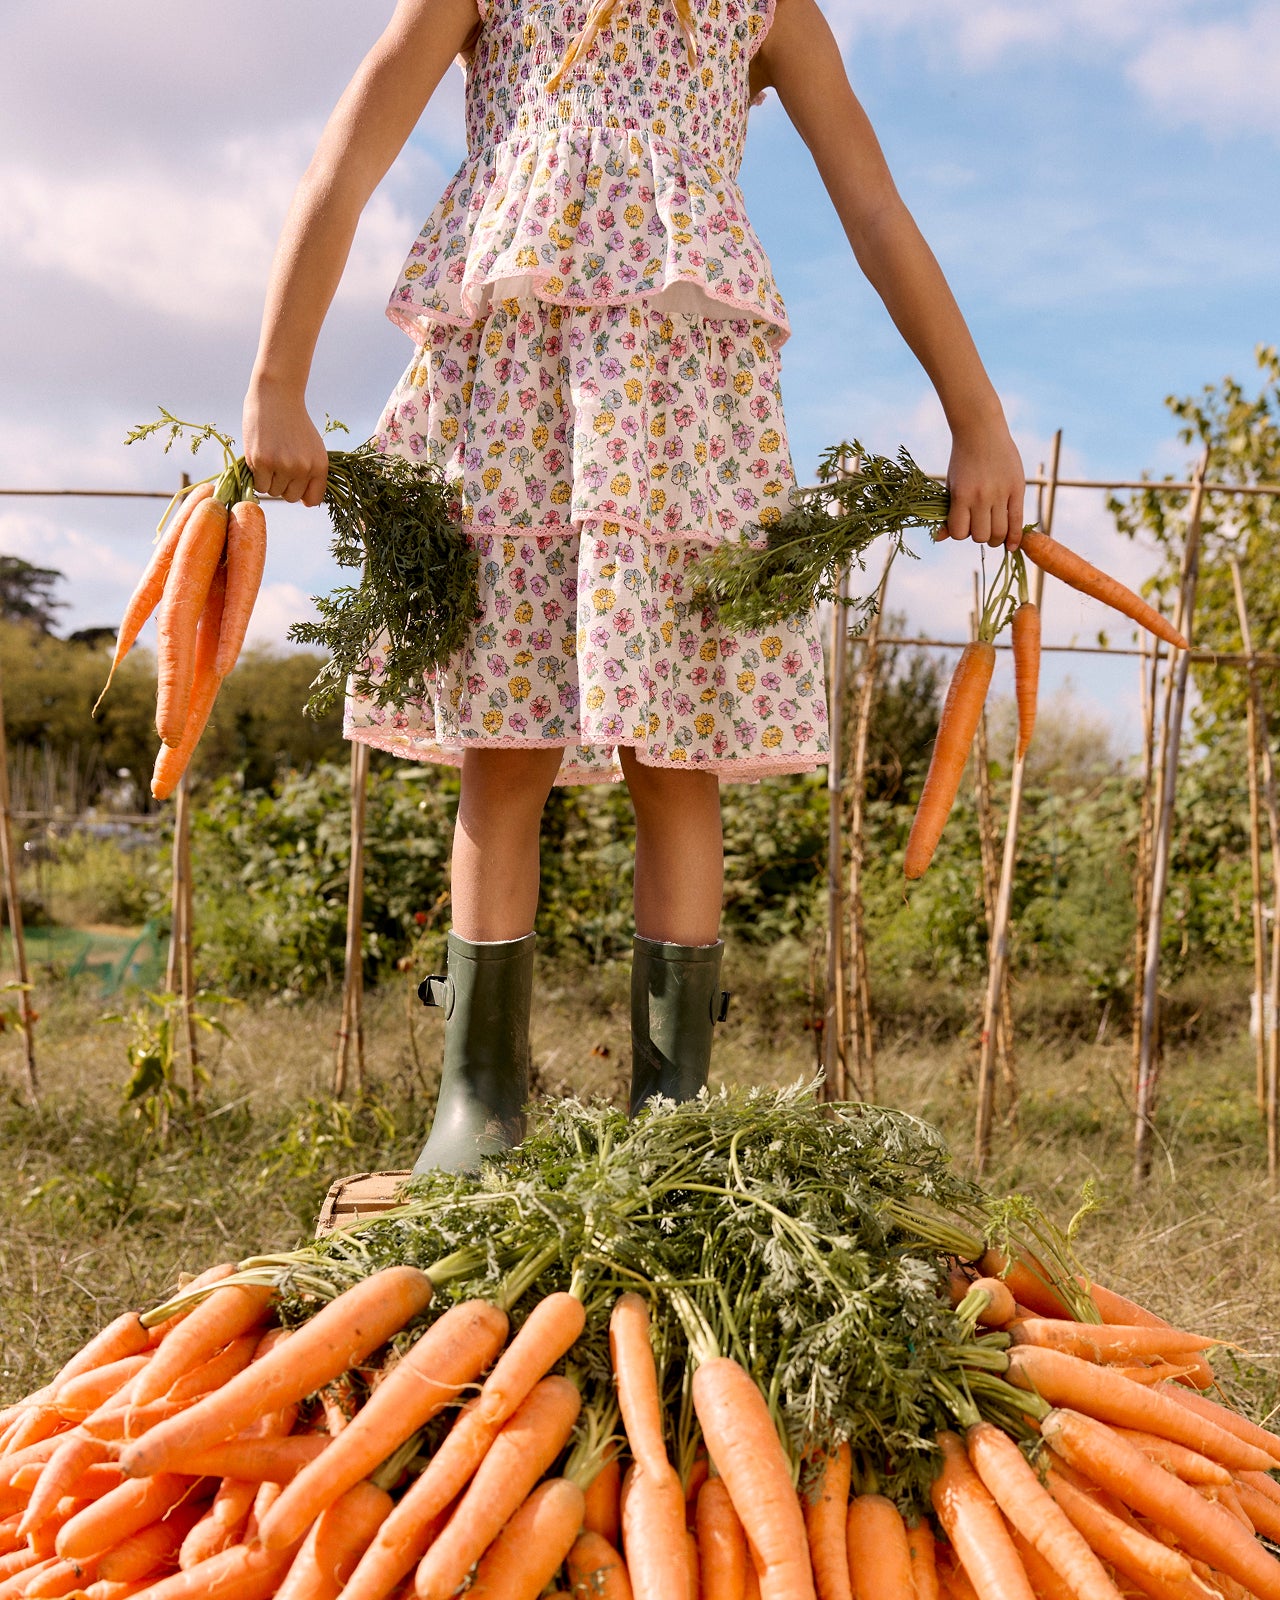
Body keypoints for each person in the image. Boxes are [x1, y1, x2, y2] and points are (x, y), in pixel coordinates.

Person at [242, 0, 1026, 1173]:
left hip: (680, 412)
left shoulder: (761, 10)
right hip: (517, 387)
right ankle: (479, 1102)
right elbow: (350, 154)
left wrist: (977, 418)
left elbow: (873, 208)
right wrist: (275, 380)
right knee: (502, 745)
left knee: (678, 752)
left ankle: (673, 1112)